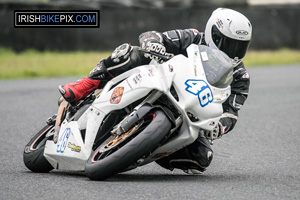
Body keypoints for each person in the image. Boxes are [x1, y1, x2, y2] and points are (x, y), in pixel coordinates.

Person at [58, 8, 252, 174]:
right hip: (157, 81)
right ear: (213, 34)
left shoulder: (240, 77)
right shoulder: (193, 37)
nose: (233, 51)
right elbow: (154, 35)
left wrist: (219, 127)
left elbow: (231, 113)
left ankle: (143, 149)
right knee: (130, 53)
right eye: (228, 43)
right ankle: (85, 85)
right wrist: (153, 43)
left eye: (240, 47)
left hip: (189, 111)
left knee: (202, 158)